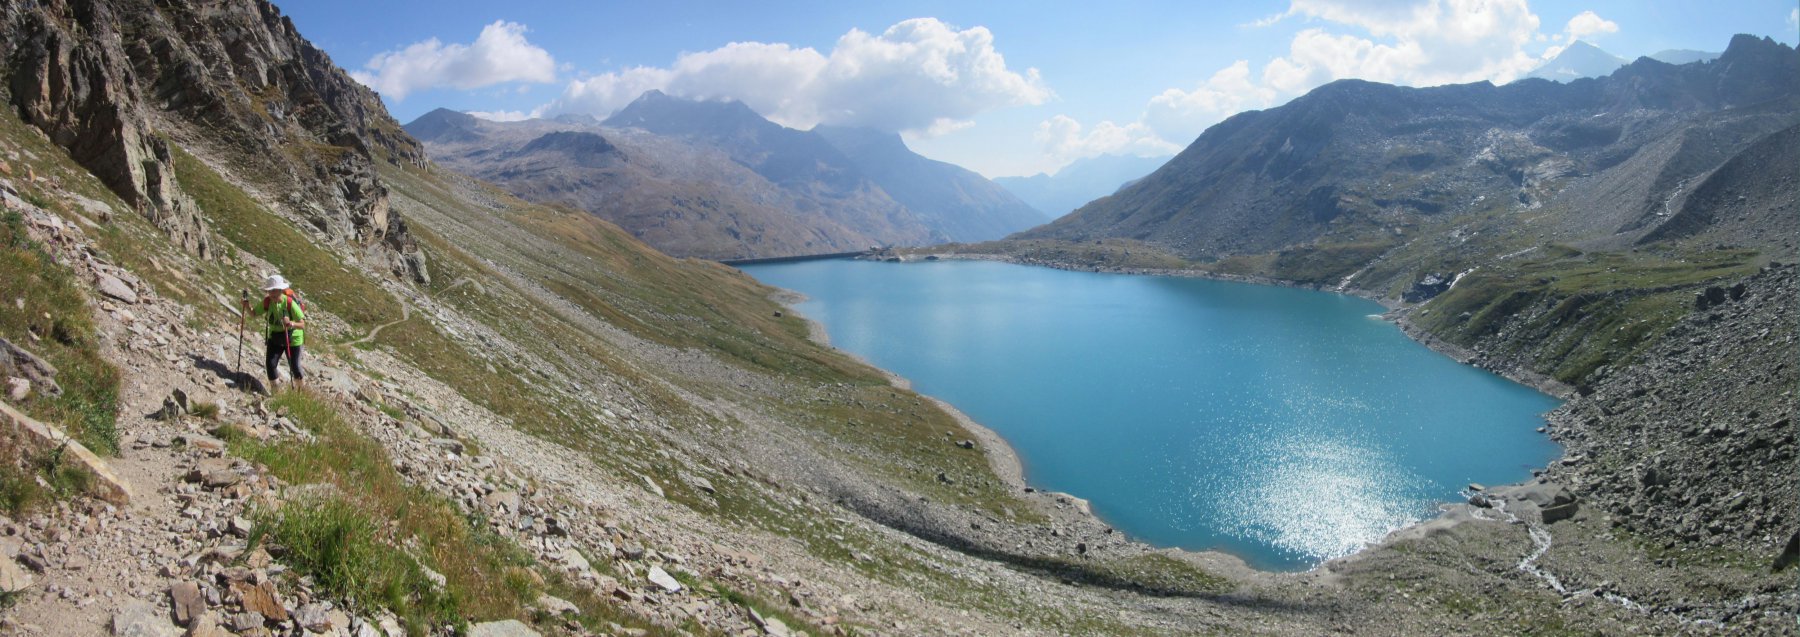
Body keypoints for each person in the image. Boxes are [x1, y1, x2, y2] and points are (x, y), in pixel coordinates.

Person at [245, 274, 306, 391]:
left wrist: (290, 323)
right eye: (270, 291)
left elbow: (302, 324)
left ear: (281, 290)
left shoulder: (289, 303)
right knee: (270, 364)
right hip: (275, 337)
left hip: (293, 338)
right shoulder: (267, 302)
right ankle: (276, 393)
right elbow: (253, 314)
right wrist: (247, 306)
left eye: (274, 290)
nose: (272, 293)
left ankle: (302, 394)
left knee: (295, 367)